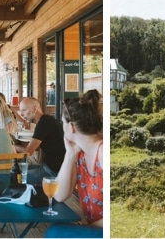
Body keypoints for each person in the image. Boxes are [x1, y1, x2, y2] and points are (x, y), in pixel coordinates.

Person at [45, 90, 103, 237]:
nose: (62, 127)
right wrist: (70, 155)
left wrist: (85, 228)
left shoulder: (103, 152)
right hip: (95, 229)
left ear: (71, 127)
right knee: (55, 230)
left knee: (54, 233)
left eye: (63, 123)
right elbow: (59, 195)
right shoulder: (80, 154)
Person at [16, 97, 66, 176]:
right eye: (20, 111)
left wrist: (12, 146)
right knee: (17, 169)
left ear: (35, 109)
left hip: (53, 172)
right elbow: (37, 148)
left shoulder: (44, 123)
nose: (21, 114)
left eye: (24, 110)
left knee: (17, 177)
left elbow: (28, 152)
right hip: (50, 167)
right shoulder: (46, 120)